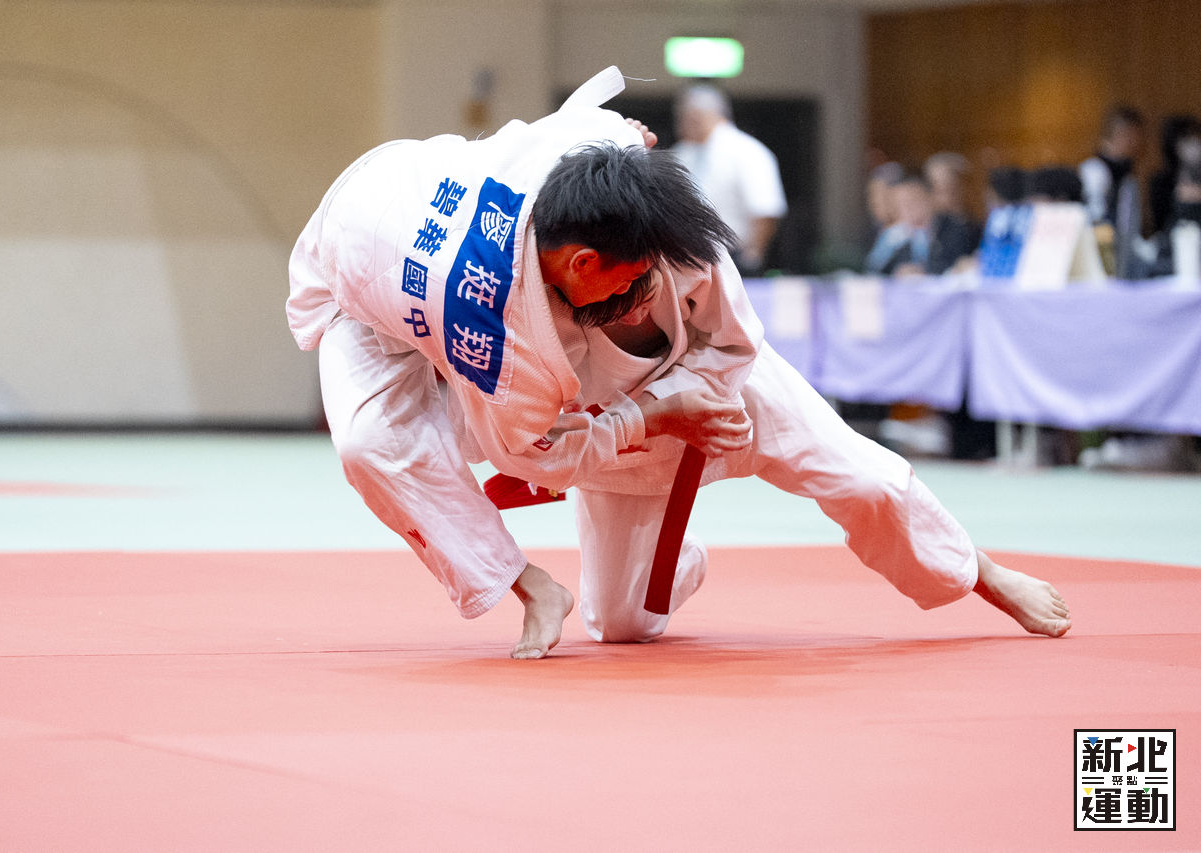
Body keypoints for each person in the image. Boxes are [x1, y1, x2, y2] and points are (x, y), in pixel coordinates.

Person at [287, 67, 1070, 659]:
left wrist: (692, 401)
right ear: (579, 264)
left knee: (862, 479)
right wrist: (650, 415)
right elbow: (530, 451)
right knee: (619, 622)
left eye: (646, 282)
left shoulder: (669, 237)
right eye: (619, 289)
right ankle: (576, 575)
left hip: (717, 385)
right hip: (393, 280)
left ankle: (979, 571)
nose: (634, 300)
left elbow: (732, 339)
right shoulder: (500, 329)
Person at [671, 83, 787, 276]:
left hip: (733, 257)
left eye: (687, 117)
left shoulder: (747, 151)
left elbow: (766, 209)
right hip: (687, 258)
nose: (682, 124)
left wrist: (753, 256)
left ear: (699, 116)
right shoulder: (682, 153)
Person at [1079, 105, 1146, 278]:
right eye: (1131, 136)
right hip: (1099, 257)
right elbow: (1095, 219)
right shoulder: (1093, 171)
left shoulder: (1128, 176)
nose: (1136, 143)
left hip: (1124, 260)